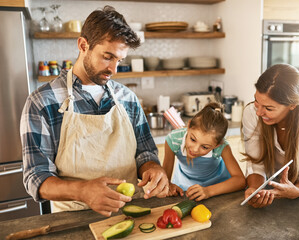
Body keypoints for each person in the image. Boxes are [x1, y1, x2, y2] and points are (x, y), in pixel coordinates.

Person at [20, 6, 169, 217]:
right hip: (73, 219)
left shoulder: (128, 99)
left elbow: (145, 153)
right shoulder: (43, 102)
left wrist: (153, 168)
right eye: (108, 57)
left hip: (130, 213)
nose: (114, 70)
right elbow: (36, 178)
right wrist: (82, 191)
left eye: (119, 60)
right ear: (83, 45)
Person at [242, 63, 299, 208]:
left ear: (292, 105)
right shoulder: (251, 114)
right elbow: (256, 164)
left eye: (268, 108)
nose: (259, 112)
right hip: (272, 193)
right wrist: (256, 191)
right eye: (256, 101)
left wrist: (297, 191)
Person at [163, 102, 246, 201]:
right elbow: (165, 180)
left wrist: (208, 191)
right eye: (193, 140)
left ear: (217, 145)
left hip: (218, 189)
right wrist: (168, 186)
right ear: (188, 126)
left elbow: (240, 181)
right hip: (184, 188)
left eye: (205, 147)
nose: (195, 149)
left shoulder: (223, 147)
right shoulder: (173, 140)